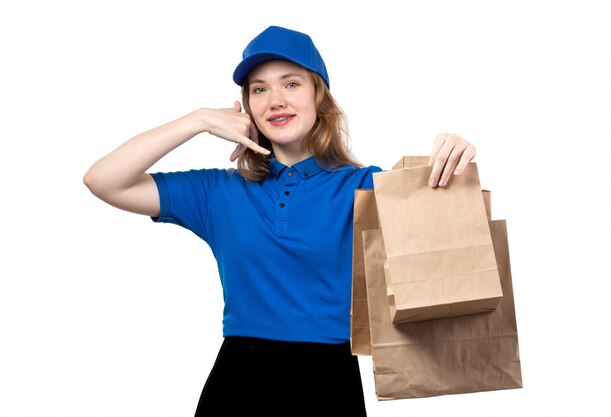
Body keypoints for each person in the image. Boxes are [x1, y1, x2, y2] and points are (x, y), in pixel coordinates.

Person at [83, 25, 476, 416]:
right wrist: (198, 120)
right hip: (238, 382)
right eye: (259, 88)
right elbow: (103, 180)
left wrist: (456, 158)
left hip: (328, 381)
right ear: (248, 106)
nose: (275, 100)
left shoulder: (366, 185)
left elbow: (451, 246)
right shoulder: (219, 191)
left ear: (318, 96)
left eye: (291, 84)